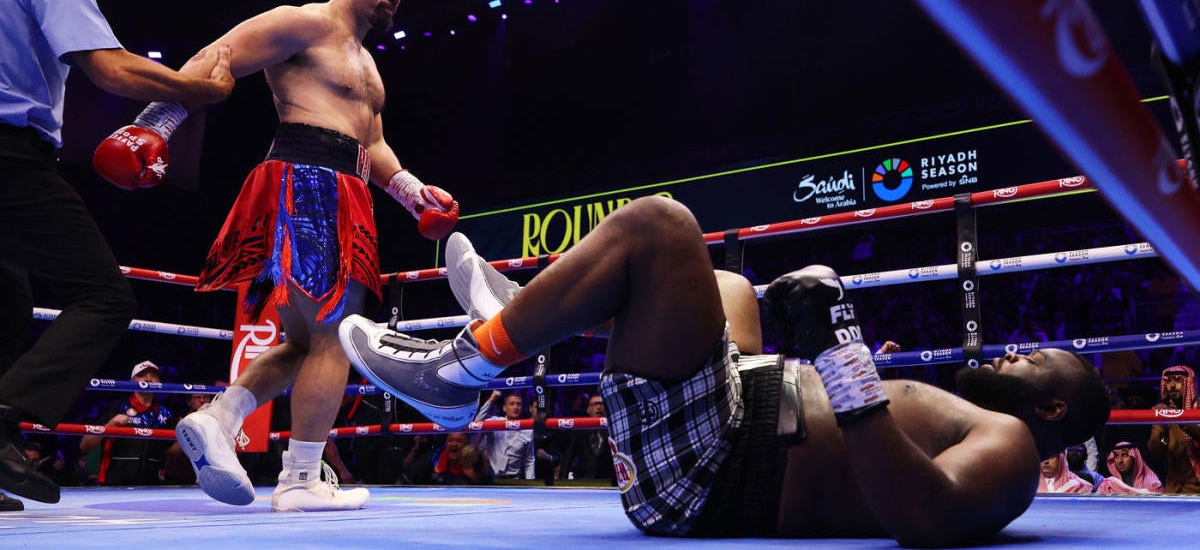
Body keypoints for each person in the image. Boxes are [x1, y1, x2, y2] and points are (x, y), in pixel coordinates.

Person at [339, 196, 1111, 545]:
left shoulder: (1010, 449)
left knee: (662, 225)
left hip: (719, 474)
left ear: (1051, 410)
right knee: (730, 286)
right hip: (735, 419)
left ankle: (463, 368)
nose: (1014, 351)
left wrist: (841, 354)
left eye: (1035, 361)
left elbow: (923, 516)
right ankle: (525, 315)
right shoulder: (986, 418)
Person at [164, 0, 458, 513]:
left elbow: (371, 144)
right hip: (309, 176)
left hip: (341, 184)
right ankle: (299, 478)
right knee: (335, 336)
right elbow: (218, 54)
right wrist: (156, 124)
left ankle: (220, 417)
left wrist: (415, 194)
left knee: (305, 340)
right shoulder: (304, 23)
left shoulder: (366, 64)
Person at [0, 0, 234, 507]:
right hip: (10, 158)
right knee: (103, 296)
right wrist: (198, 94)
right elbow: (109, 66)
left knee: (7, 304)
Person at [78, 360, 175, 485]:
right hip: (115, 484)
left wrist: (188, 434)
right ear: (131, 382)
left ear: (160, 382)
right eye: (142, 375)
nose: (148, 379)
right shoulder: (116, 407)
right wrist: (110, 425)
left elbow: (171, 453)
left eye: (154, 376)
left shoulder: (166, 414)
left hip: (151, 487)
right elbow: (84, 445)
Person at [1145, 365, 1200, 494]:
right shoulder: (1163, 411)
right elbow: (1155, 451)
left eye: (1177, 380)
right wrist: (1160, 427)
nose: (1172, 385)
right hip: (1173, 488)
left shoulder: (1198, 408)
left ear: (1188, 383)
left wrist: (1181, 419)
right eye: (1168, 381)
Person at [473, 391, 534, 479]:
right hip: (492, 478)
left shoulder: (527, 430)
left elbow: (529, 460)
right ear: (504, 408)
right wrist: (491, 400)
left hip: (515, 479)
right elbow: (477, 423)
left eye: (518, 404)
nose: (516, 407)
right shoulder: (495, 422)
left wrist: (530, 483)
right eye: (512, 404)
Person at [558, 393, 614, 483]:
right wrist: (561, 484)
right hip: (583, 480)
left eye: (601, 404)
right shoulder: (578, 430)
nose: (599, 407)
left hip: (608, 481)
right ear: (588, 409)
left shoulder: (613, 429)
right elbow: (567, 459)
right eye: (595, 404)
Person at [1096, 441, 1162, 494]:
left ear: (1134, 457)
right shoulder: (1108, 486)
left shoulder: (1153, 484)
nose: (1120, 460)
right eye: (1116, 456)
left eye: (1124, 455)